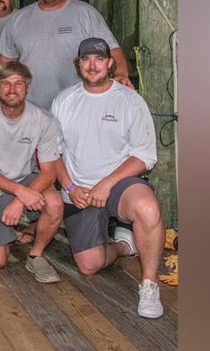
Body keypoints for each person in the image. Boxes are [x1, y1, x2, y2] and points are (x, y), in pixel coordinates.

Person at [53, 38, 164, 319]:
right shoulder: (64, 101)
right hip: (79, 190)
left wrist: (107, 183)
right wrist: (70, 186)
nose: (93, 65)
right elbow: (51, 154)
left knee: (148, 208)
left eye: (99, 59)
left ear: (110, 62)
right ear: (78, 64)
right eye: (86, 59)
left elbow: (144, 155)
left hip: (118, 186)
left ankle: (149, 285)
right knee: (89, 265)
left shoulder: (130, 101)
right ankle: (123, 245)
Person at [0, 60, 65, 282]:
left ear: (27, 88)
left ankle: (36, 255)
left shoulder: (44, 119)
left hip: (25, 179)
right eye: (6, 84)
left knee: (55, 203)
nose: (12, 90)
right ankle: (7, 232)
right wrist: (20, 192)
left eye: (18, 84)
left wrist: (19, 199)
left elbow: (49, 172)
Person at [0, 0, 131, 110]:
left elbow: (112, 50)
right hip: (31, 109)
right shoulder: (18, 19)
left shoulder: (85, 13)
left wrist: (121, 75)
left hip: (78, 107)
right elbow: (5, 65)